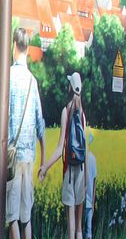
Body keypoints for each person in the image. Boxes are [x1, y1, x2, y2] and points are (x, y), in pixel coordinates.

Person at [5, 27, 46, 239]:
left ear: (14, 46)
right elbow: (41, 124)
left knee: (11, 215)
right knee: (25, 216)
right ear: (28, 49)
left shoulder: (8, 77)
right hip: (29, 158)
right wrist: (44, 162)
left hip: (12, 157)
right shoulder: (33, 81)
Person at [39, 72, 87, 239]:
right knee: (79, 227)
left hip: (69, 171)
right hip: (80, 170)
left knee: (71, 225)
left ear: (69, 87)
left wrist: (45, 167)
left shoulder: (66, 111)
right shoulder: (82, 114)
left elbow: (60, 149)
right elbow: (85, 149)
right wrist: (86, 179)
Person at [84, 131, 97, 239]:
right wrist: (93, 203)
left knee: (78, 230)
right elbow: (94, 182)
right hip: (89, 203)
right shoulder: (93, 158)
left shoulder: (80, 159)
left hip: (81, 202)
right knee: (89, 232)